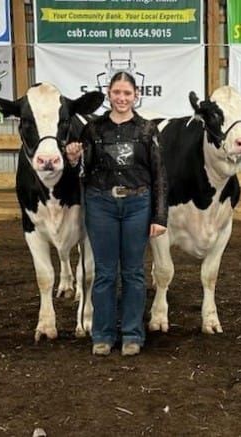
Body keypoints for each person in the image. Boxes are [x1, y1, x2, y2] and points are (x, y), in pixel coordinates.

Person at [65, 71, 168, 357]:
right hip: (101, 204)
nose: (122, 98)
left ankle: (133, 334)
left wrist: (159, 217)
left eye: (127, 93)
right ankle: (103, 334)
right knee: (105, 272)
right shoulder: (93, 130)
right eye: (117, 92)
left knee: (134, 272)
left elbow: (159, 174)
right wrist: (74, 159)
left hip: (138, 204)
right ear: (108, 94)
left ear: (136, 96)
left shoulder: (148, 130)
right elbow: (83, 171)